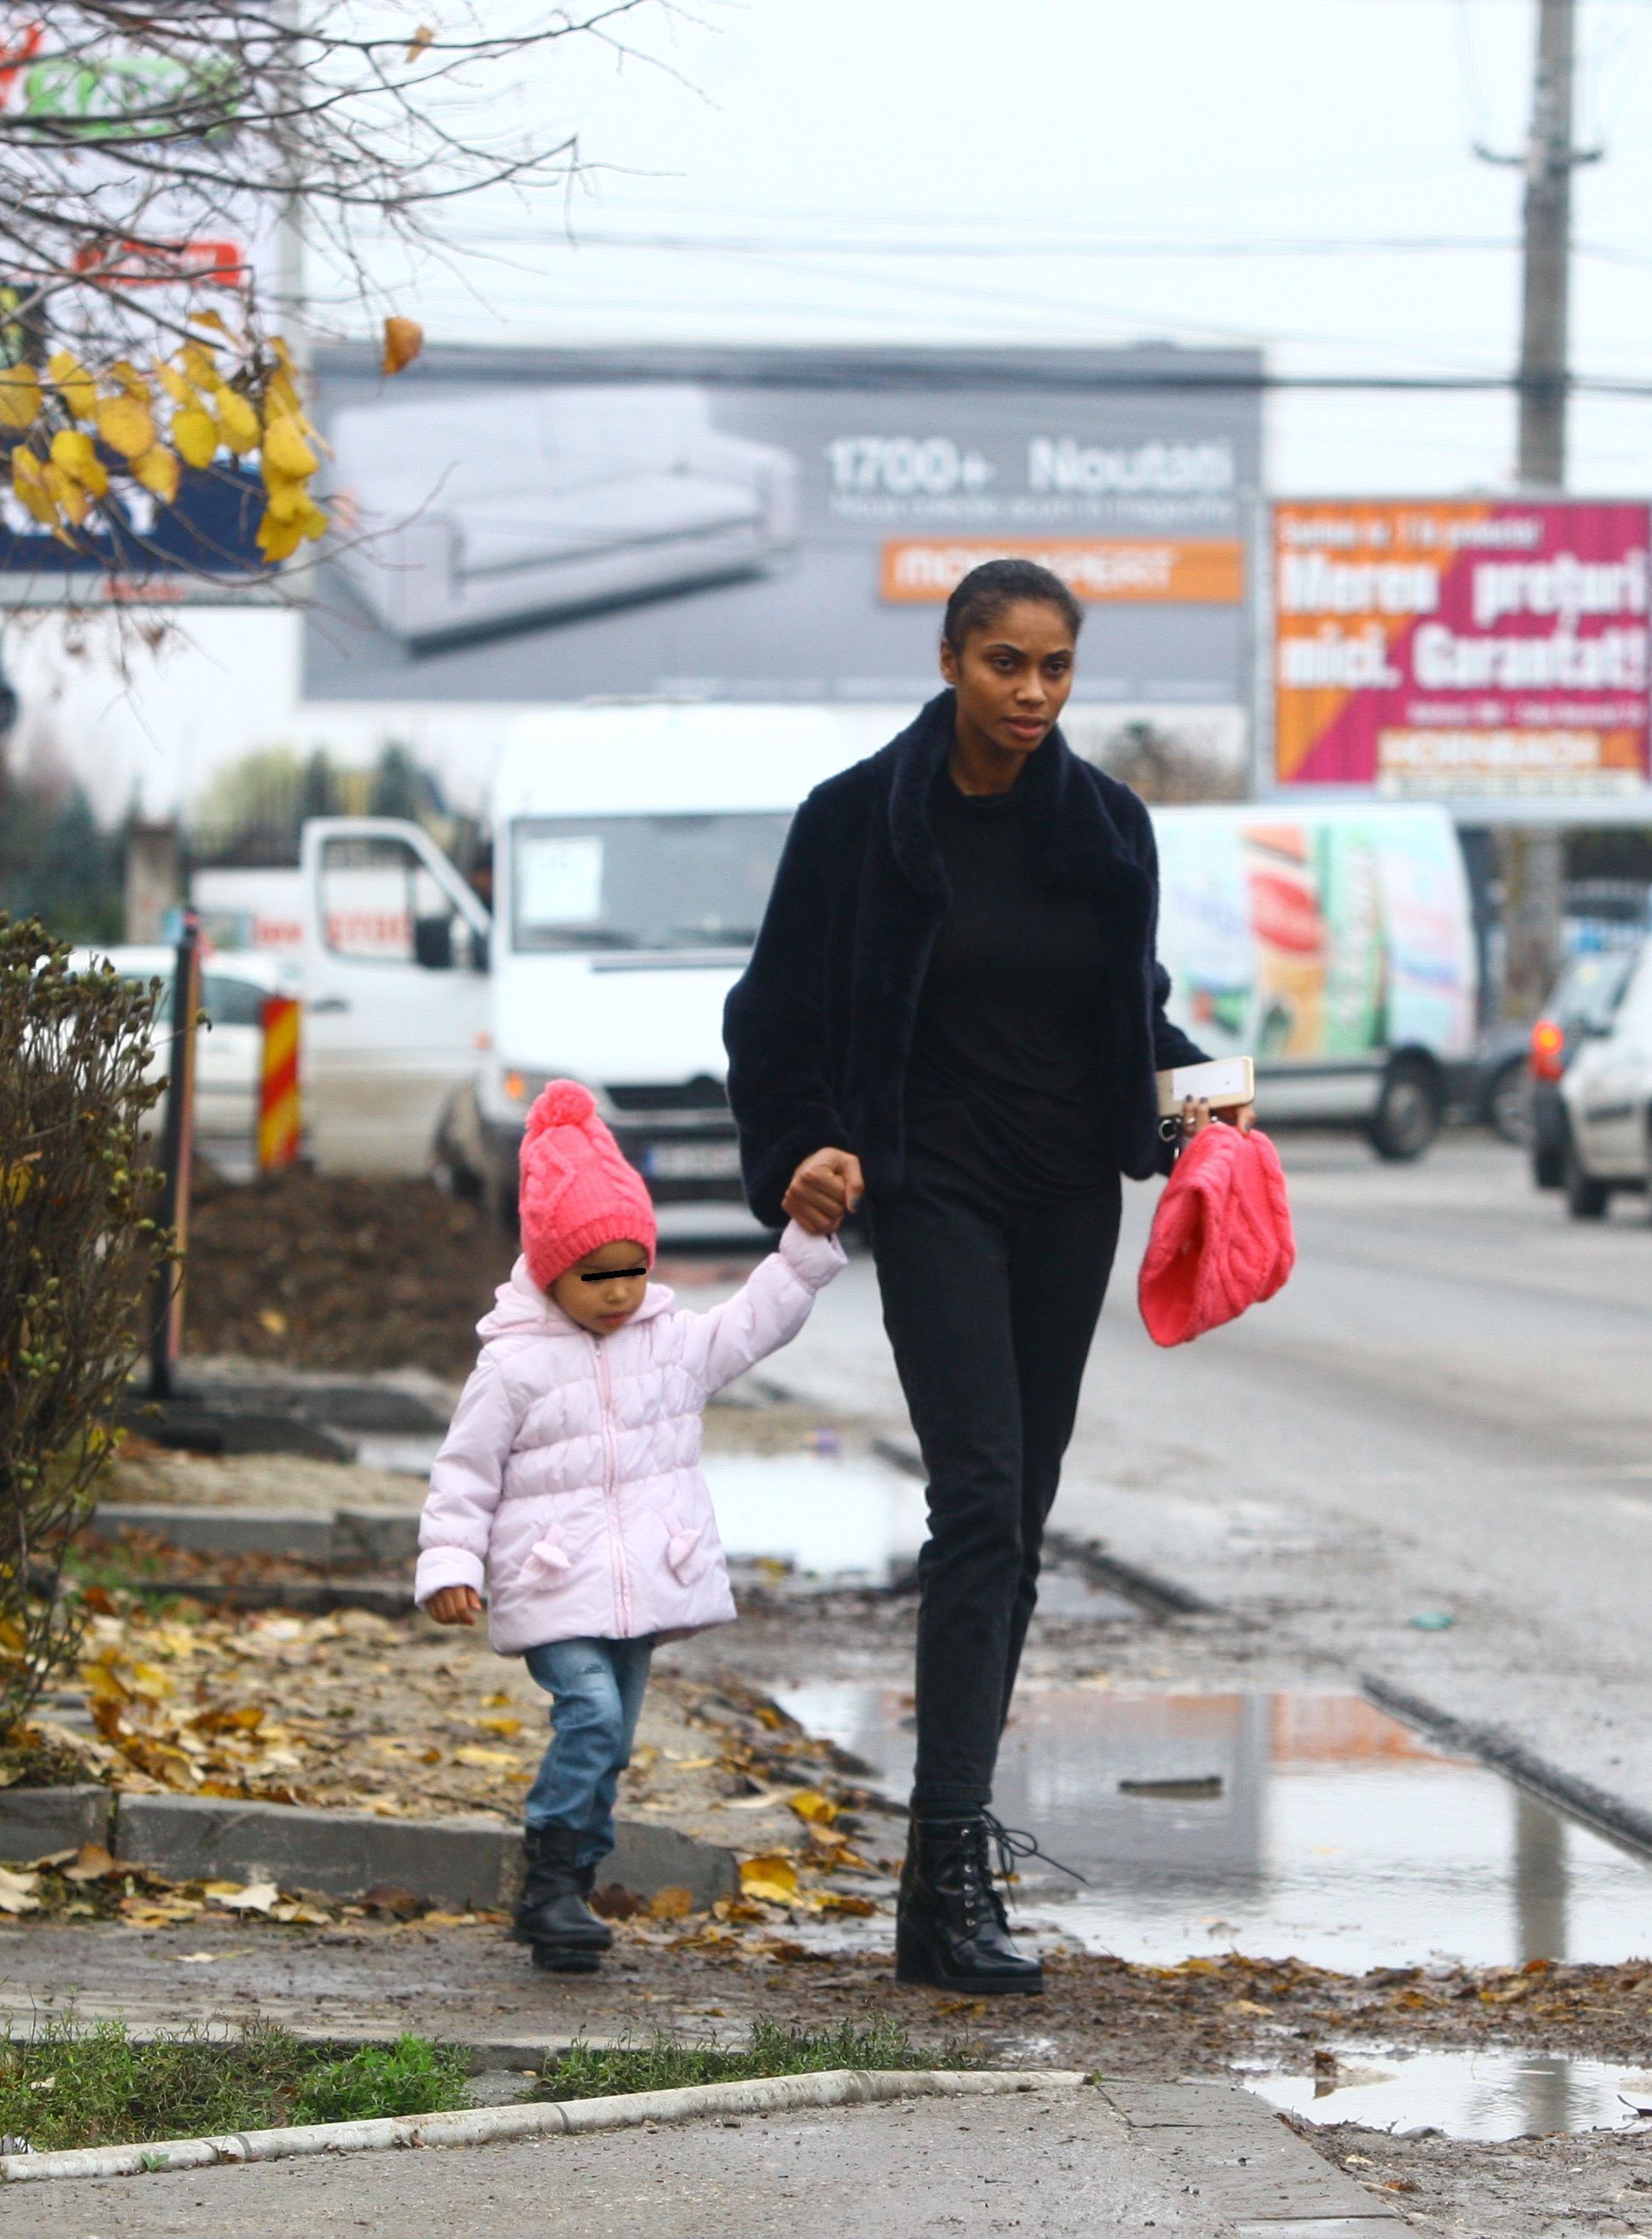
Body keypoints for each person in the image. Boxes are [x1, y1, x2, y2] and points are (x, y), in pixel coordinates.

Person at [723, 556, 1234, 1996]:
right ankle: (944, 1870)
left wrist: (1208, 1092)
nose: (1031, 692)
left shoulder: (1106, 829)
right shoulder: (853, 826)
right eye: (1005, 663)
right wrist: (801, 1150)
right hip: (930, 1184)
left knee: (1020, 1522)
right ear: (950, 659)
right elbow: (769, 1021)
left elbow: (1129, 1013)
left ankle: (941, 1866)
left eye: (1055, 667)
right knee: (983, 1493)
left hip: (1064, 1194)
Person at [415, 1078, 845, 1972]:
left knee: (610, 1743)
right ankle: (552, 1878)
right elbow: (466, 1469)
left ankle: (565, 1889)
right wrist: (451, 1559)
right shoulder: (515, 1367)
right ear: (549, 1270)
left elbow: (756, 1322)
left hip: (647, 1581)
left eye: (633, 1271)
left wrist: (806, 1246)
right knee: (592, 1711)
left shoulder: (672, 1348)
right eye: (593, 1276)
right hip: (549, 1580)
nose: (617, 1294)